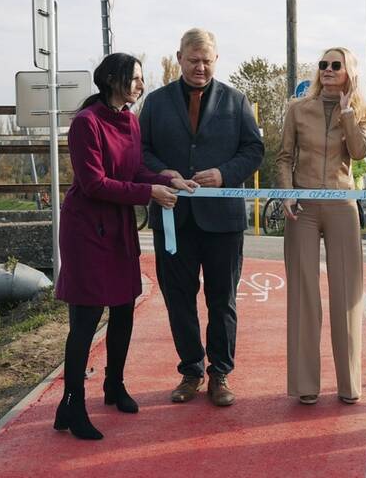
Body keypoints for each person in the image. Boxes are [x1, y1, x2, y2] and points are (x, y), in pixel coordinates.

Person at [54, 53, 197, 440]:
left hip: (117, 225)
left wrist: (167, 177)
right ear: (113, 79)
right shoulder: (87, 124)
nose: (140, 84)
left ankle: (113, 386)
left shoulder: (130, 121)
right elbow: (94, 183)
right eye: (134, 78)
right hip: (86, 230)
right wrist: (149, 190)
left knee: (123, 309)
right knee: (85, 320)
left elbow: (133, 171)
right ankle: (72, 402)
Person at [140, 28, 264, 406]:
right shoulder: (156, 103)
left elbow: (254, 149)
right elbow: (140, 150)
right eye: (193, 60)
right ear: (179, 58)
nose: (200, 67)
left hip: (222, 221)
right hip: (173, 217)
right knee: (179, 299)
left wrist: (226, 173)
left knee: (222, 299)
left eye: (207, 61)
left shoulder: (236, 100)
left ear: (216, 60)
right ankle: (191, 371)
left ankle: (220, 374)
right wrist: (166, 174)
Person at [277, 47, 366, 404]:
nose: (328, 70)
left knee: (347, 295)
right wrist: (285, 193)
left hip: (342, 206)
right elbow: (285, 157)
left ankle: (349, 385)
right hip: (302, 206)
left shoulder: (359, 112)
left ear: (349, 72)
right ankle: (305, 385)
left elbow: (360, 153)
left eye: (336, 65)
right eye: (323, 65)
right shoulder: (297, 109)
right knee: (303, 295)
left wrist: (347, 113)